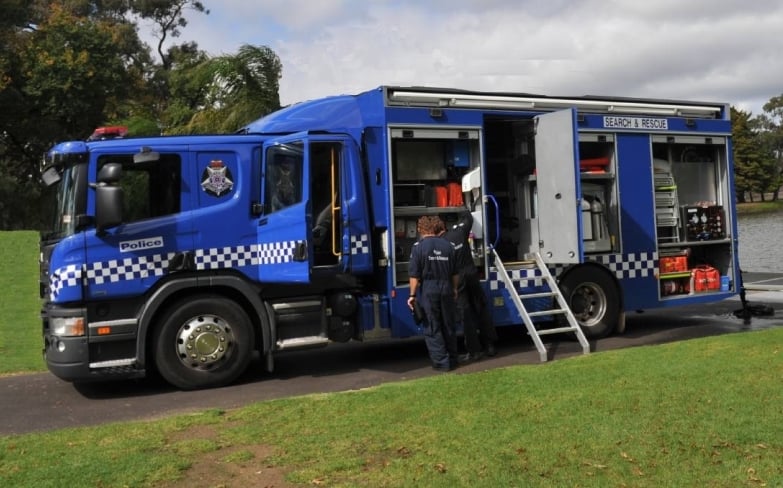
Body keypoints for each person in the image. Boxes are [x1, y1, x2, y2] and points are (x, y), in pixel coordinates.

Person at [441, 210, 498, 361]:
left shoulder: (442, 244)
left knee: (466, 316)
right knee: (481, 309)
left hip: (457, 281)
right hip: (472, 275)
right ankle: (490, 345)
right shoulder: (460, 232)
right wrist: (462, 208)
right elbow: (468, 218)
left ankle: (474, 351)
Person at [408, 215, 460, 372]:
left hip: (430, 289)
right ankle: (453, 359)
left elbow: (414, 276)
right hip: (446, 287)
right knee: (448, 324)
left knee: (432, 326)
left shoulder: (418, 247)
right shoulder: (449, 246)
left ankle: (442, 362)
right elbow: (455, 273)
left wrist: (412, 296)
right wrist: (454, 289)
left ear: (420, 229)